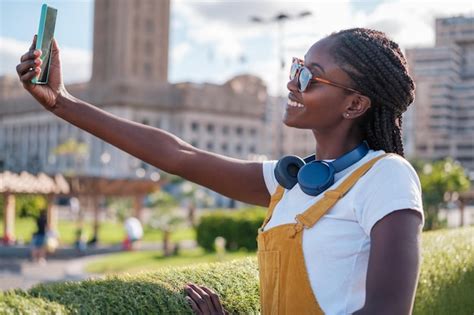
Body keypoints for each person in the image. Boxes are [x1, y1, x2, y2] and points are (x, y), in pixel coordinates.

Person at [17, 27, 423, 314]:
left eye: (308, 76)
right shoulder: (293, 181)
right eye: (296, 68)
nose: (291, 84)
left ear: (354, 105)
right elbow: (179, 155)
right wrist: (62, 103)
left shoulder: (386, 176)